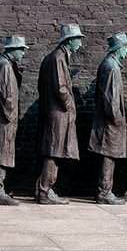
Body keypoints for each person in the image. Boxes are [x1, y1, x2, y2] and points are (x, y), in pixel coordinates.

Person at [36, 23, 83, 205]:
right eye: (78, 39)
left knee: (54, 151)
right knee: (53, 152)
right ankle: (44, 190)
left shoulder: (58, 57)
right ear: (69, 40)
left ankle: (44, 188)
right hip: (58, 113)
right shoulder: (57, 58)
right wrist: (71, 106)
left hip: (54, 111)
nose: (80, 43)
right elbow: (61, 88)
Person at [0, 35, 28, 206]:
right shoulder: (4, 66)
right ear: (12, 50)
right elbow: (6, 97)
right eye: (21, 49)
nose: (23, 53)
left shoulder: (3, 64)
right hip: (3, 121)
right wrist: (12, 118)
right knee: (1, 154)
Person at [88, 32, 127, 205]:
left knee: (108, 155)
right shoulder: (112, 67)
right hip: (110, 123)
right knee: (109, 155)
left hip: (106, 121)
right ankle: (104, 192)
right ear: (118, 49)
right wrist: (118, 120)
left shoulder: (109, 64)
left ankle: (104, 191)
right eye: (125, 48)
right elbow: (111, 100)